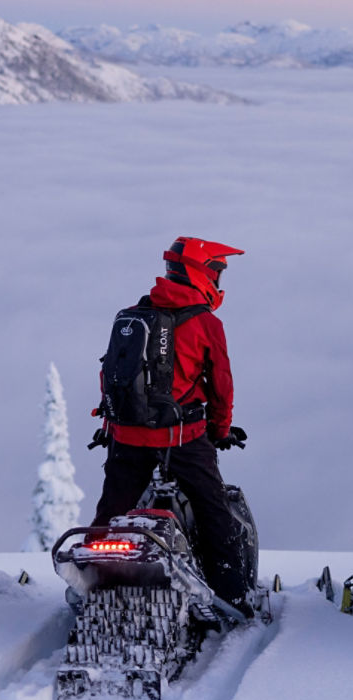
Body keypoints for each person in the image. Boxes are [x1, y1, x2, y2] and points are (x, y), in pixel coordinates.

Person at [92, 236, 251, 606]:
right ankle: (233, 596)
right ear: (201, 273)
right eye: (217, 273)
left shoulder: (133, 314)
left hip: (127, 437)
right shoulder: (207, 323)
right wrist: (220, 429)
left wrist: (110, 426)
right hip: (183, 438)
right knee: (215, 514)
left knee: (111, 511)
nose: (218, 282)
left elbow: (111, 373)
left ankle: (95, 584)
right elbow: (221, 385)